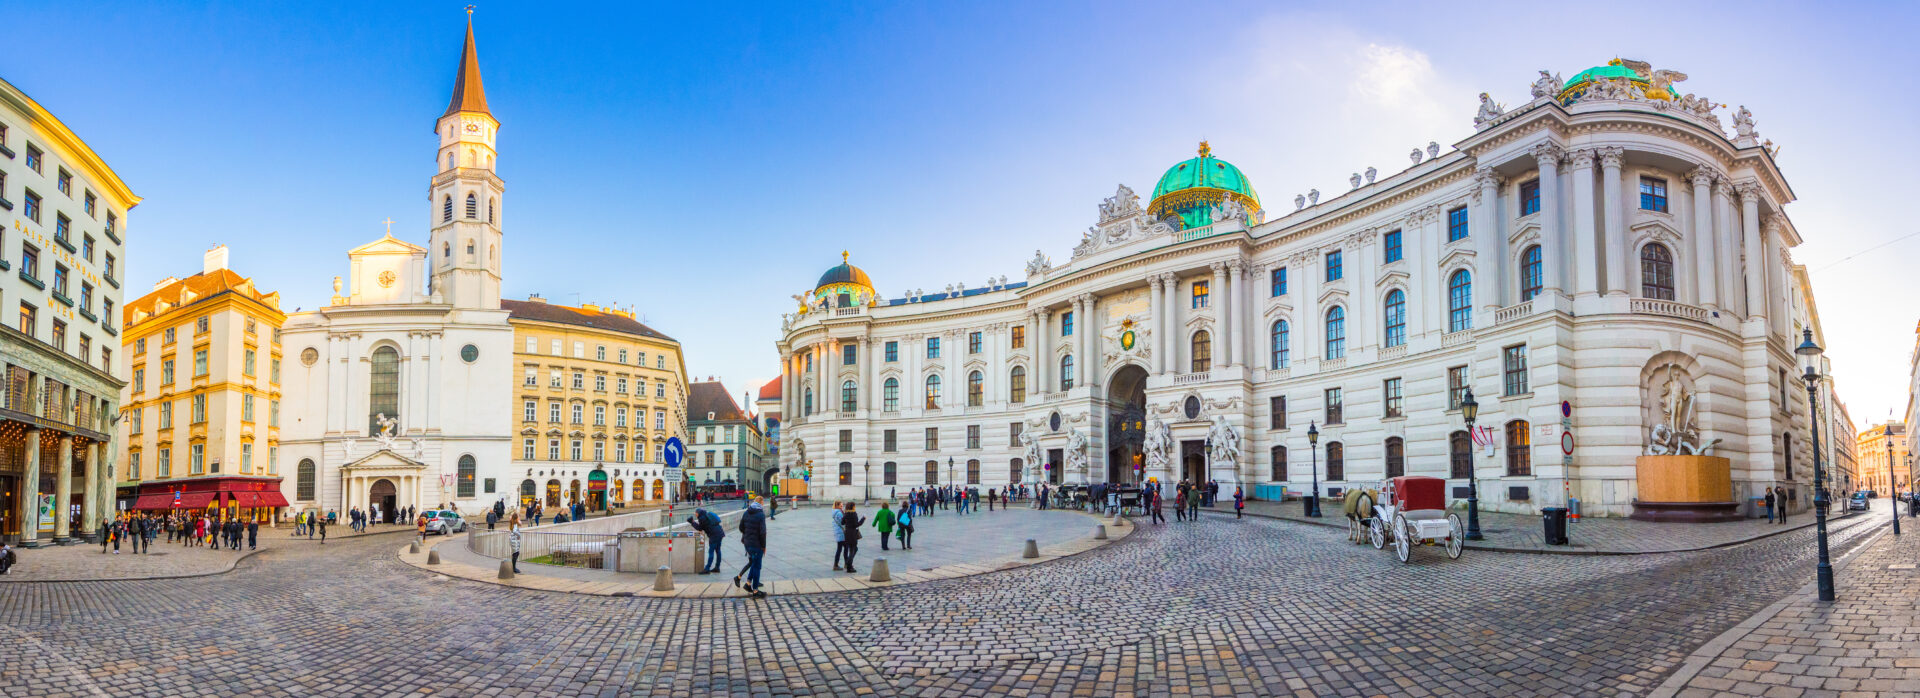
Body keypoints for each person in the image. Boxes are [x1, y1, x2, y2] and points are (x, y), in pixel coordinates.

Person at [736, 497, 768, 598]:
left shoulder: (746, 512)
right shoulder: (760, 514)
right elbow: (763, 533)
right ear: (760, 503)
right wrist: (763, 546)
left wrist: (747, 534)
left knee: (753, 564)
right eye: (762, 502)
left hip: (747, 543)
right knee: (757, 566)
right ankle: (755, 590)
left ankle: (748, 584)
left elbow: (741, 527)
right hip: (757, 544)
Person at [691, 508, 724, 574]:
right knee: (718, 550)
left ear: (698, 513)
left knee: (711, 551)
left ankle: (707, 568)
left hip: (714, 535)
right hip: (720, 533)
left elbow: (700, 528)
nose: (695, 514)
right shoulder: (706, 515)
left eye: (696, 513)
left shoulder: (702, 518)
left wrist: (692, 522)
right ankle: (717, 567)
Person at [839, 502, 864, 575]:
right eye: (854, 506)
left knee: (853, 549)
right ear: (852, 507)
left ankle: (848, 563)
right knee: (853, 549)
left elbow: (842, 522)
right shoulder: (854, 514)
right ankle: (849, 565)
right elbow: (856, 524)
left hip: (847, 533)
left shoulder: (846, 514)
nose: (855, 507)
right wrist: (863, 519)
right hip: (853, 533)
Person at [831, 501, 848, 571]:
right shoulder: (839, 513)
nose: (842, 507)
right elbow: (843, 523)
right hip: (841, 533)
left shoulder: (835, 512)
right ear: (837, 506)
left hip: (838, 532)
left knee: (840, 548)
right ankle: (841, 564)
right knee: (843, 548)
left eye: (842, 505)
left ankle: (837, 564)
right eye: (841, 506)